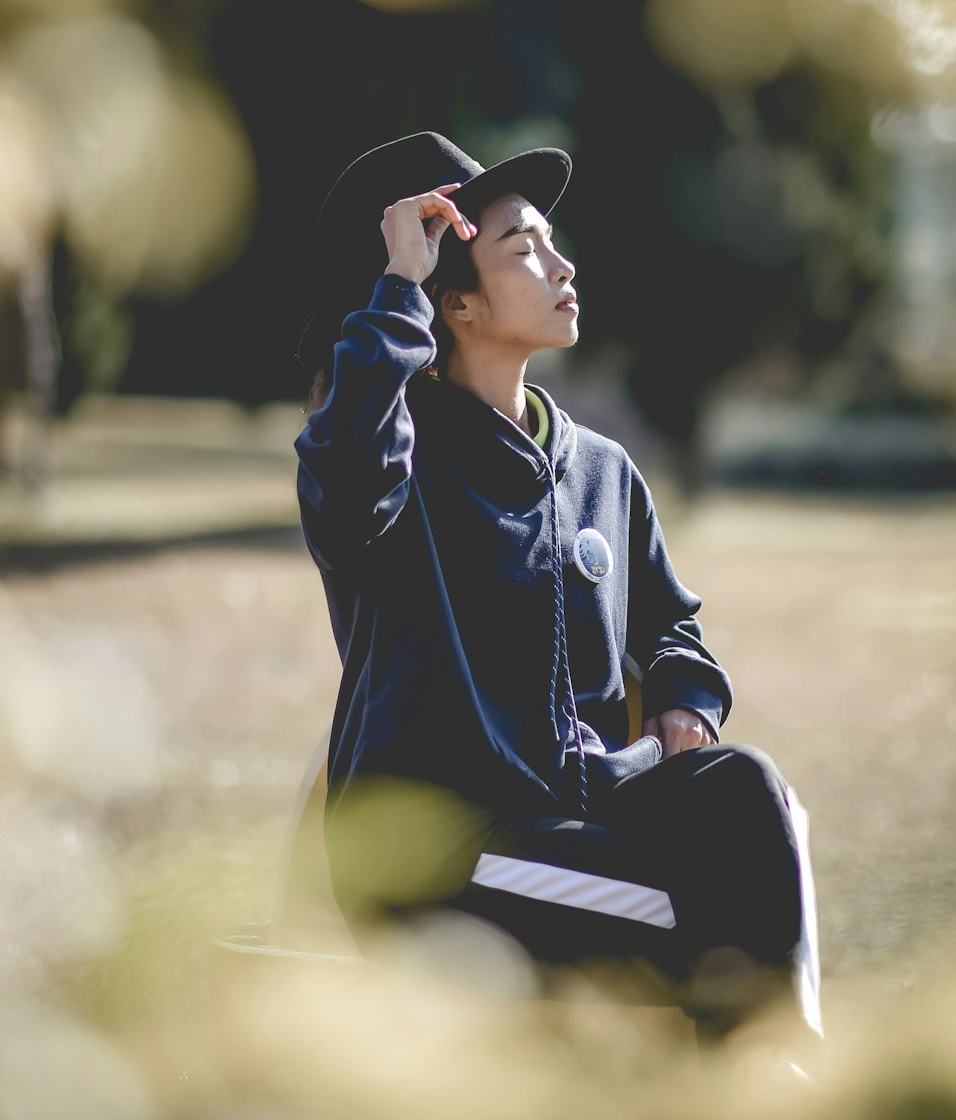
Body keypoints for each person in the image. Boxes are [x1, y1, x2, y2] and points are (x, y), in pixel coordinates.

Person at [294, 131, 822, 1056]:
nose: (562, 263)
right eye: (523, 249)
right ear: (450, 301)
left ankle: (770, 1091)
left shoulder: (604, 472)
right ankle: (765, 1106)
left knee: (750, 793)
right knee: (725, 917)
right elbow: (342, 471)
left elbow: (671, 630)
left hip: (583, 825)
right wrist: (394, 286)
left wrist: (684, 704)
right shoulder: (394, 465)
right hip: (434, 859)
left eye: (551, 240)